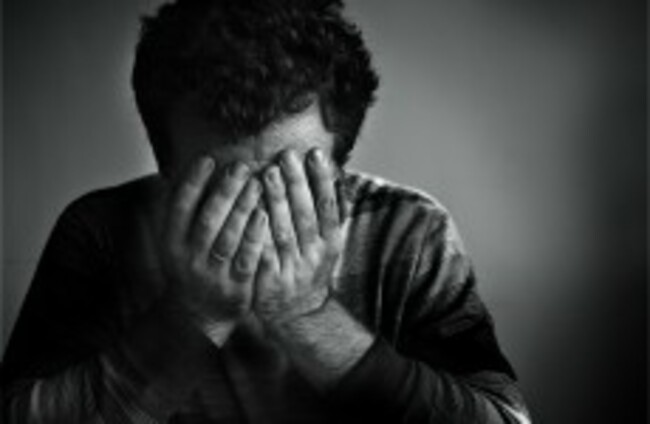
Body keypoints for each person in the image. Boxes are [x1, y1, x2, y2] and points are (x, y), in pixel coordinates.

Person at [1, 0, 531, 422]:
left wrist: (308, 315)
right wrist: (193, 316)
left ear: (339, 164)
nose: (258, 219)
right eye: (221, 185)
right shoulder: (101, 234)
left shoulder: (409, 232)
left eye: (289, 180)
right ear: (166, 168)